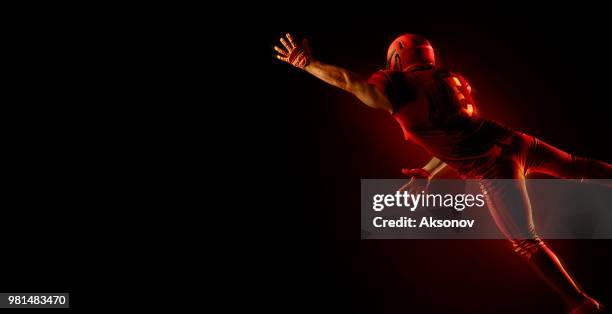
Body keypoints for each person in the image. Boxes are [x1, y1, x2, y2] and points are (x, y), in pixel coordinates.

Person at [274, 32, 611, 313]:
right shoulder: (450, 79)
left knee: (525, 240)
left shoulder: (397, 83)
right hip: (513, 141)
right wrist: (428, 172)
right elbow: (455, 138)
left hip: (490, 166)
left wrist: (308, 64)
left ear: (395, 60)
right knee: (578, 165)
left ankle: (580, 304)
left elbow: (350, 82)